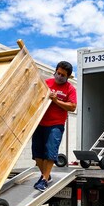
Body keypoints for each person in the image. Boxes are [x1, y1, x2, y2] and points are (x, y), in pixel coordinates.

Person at [32, 61, 77, 192]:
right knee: (37, 153)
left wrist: (56, 100)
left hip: (56, 124)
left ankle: (44, 180)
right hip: (40, 122)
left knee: (50, 151)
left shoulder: (70, 89)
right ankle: (45, 175)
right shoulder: (47, 83)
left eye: (63, 75)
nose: (59, 76)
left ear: (67, 76)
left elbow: (73, 107)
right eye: (58, 73)